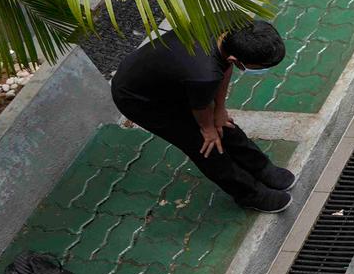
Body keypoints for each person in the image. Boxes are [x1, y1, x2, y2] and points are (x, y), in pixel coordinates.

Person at [110, 19, 294, 212]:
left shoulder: (232, 25)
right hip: (140, 97)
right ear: (235, 59)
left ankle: (261, 168)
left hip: (174, 76)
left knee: (225, 126)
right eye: (260, 66)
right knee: (205, 145)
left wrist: (220, 110)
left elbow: (224, 69)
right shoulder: (203, 74)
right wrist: (208, 129)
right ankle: (250, 194)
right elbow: (201, 105)